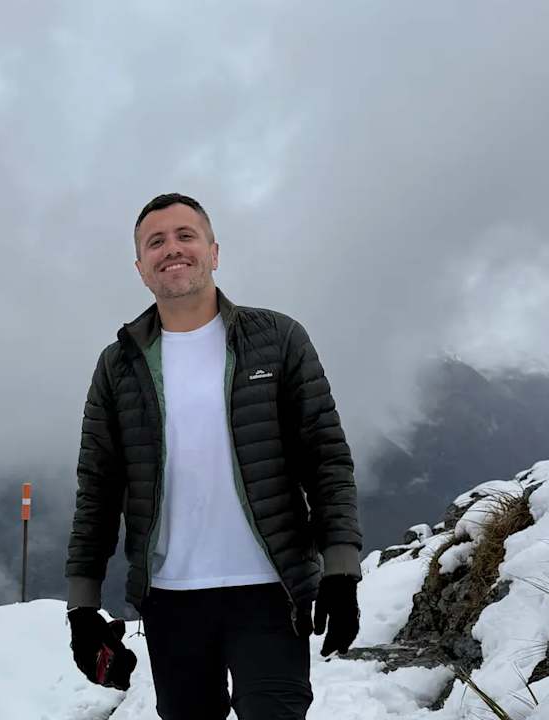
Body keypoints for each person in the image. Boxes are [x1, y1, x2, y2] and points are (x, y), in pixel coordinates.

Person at [64, 192, 363, 719]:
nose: (172, 249)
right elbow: (99, 490)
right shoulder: (118, 366)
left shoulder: (278, 339)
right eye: (155, 242)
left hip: (270, 590)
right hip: (171, 599)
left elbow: (325, 458)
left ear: (214, 251)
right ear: (140, 268)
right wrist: (82, 609)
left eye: (186, 235)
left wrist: (341, 570)